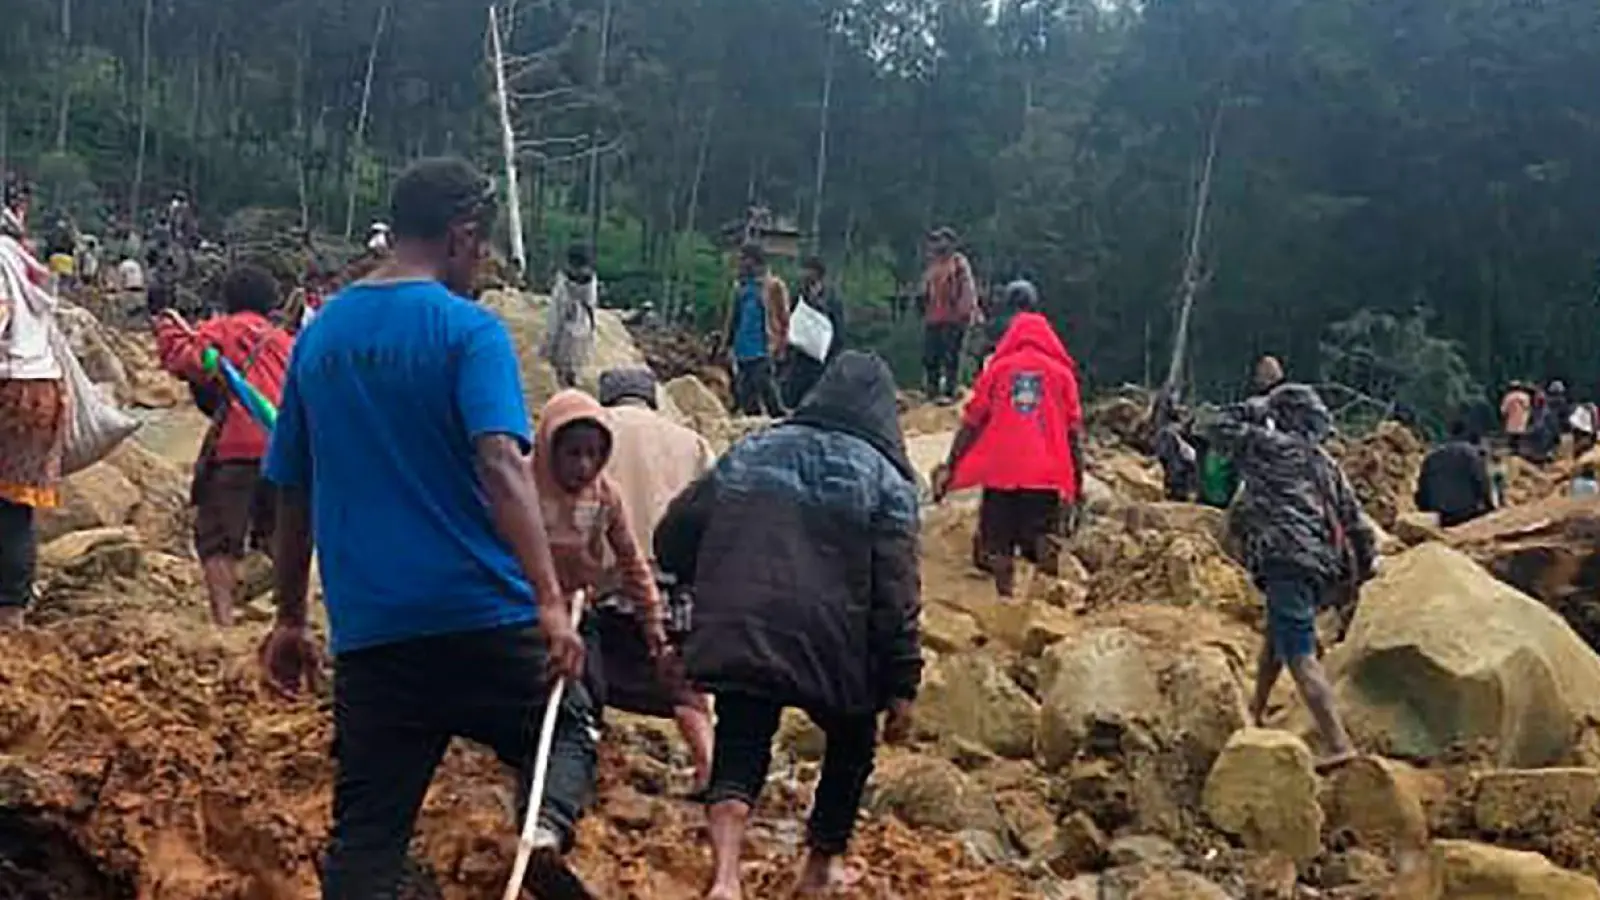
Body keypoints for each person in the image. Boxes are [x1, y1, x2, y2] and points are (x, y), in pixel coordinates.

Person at [258, 158, 597, 899]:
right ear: (461, 236)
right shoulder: (467, 330)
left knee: (367, 842)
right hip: (484, 617)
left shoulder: (321, 338)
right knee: (567, 726)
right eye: (483, 249)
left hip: (376, 636)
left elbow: (292, 490)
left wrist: (288, 618)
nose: (483, 266)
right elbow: (502, 465)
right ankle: (540, 831)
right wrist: (547, 598)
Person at [655, 351, 922, 900]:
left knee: (742, 737)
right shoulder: (889, 482)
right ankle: (819, 868)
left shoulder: (752, 450)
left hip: (745, 624)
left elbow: (675, 532)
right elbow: (897, 592)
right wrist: (902, 684)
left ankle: (726, 876)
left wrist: (694, 590)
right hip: (836, 644)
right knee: (851, 743)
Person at [1205, 383, 1376, 771]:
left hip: (1286, 559)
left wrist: (1251, 407)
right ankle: (1256, 710)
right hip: (1321, 567)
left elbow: (1212, 425)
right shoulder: (1325, 464)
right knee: (1277, 635)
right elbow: (1358, 524)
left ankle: (1338, 742)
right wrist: (1362, 575)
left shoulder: (1269, 447)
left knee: (1299, 654)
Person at [595, 367, 716, 792]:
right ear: (651, 399)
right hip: (673, 587)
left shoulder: (594, 430)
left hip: (608, 584)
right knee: (686, 692)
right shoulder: (690, 442)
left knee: (586, 680)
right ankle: (709, 770)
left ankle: (581, 766)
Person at [154, 264, 292, 626]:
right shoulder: (285, 341)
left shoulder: (221, 330)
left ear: (227, 300)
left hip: (235, 447)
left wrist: (167, 329)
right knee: (277, 532)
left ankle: (224, 619)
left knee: (218, 537)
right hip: (283, 447)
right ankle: (285, 615)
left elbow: (185, 360)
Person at [932, 306, 1084, 598]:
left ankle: (1005, 599)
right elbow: (1073, 433)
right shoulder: (1062, 375)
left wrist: (952, 463)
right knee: (1042, 535)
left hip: (1001, 471)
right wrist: (1077, 483)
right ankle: (1044, 602)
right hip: (1046, 473)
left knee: (998, 541)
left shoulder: (998, 370)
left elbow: (972, 422)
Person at [0, 183, 66, 631]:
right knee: (14, 505)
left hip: (8, 386)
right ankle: (12, 610)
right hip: (41, 387)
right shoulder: (21, 258)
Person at [721, 242, 789, 417]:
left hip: (763, 348)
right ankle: (754, 421)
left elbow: (783, 318)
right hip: (742, 348)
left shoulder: (773, 286)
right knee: (746, 392)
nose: (742, 263)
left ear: (755, 261)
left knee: (766, 387)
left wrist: (781, 344)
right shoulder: (741, 288)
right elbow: (733, 318)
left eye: (745, 259)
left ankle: (779, 418)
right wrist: (725, 344)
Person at [920, 227, 978, 402]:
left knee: (950, 356)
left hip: (953, 319)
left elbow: (968, 289)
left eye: (941, 240)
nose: (938, 244)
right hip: (933, 318)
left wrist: (966, 313)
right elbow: (926, 290)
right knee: (930, 356)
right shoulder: (933, 265)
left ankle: (949, 391)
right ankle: (932, 391)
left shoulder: (958, 264)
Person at [783, 255, 845, 408]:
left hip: (821, 363)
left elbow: (838, 331)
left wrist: (832, 358)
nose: (804, 275)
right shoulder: (798, 297)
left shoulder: (831, 299)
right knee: (793, 399)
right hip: (799, 359)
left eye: (808, 272)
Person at [1413, 418, 1495, 528]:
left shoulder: (1431, 456)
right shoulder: (1471, 454)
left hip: (1438, 516)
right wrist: (1490, 507)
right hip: (1466, 513)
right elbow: (1482, 482)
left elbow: (1422, 489)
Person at [543, 244, 599, 389]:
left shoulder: (564, 285)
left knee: (563, 373)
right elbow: (592, 309)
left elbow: (555, 317)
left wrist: (548, 347)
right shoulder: (590, 283)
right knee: (574, 372)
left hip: (566, 332)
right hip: (582, 330)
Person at [1501, 381, 1533, 450]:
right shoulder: (1525, 396)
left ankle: (1513, 452)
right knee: (1521, 439)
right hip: (1523, 421)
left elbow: (1503, 410)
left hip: (1511, 422)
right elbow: (1527, 407)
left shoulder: (1508, 397)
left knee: (1512, 439)